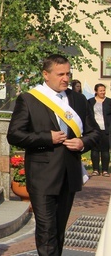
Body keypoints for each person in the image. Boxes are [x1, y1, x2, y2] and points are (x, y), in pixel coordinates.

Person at [7, 54, 100, 256]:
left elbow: (94, 132)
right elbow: (14, 135)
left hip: (69, 174)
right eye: (60, 74)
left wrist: (82, 142)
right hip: (42, 175)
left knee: (58, 231)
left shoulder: (78, 99)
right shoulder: (30, 99)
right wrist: (46, 137)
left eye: (68, 73)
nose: (65, 78)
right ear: (46, 75)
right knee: (46, 230)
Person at [88, 83, 111, 177]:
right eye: (101, 90)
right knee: (94, 150)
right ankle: (95, 170)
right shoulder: (90, 102)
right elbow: (88, 115)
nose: (103, 92)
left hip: (106, 129)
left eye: (104, 90)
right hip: (94, 130)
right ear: (96, 91)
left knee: (105, 150)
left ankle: (105, 170)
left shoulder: (109, 101)